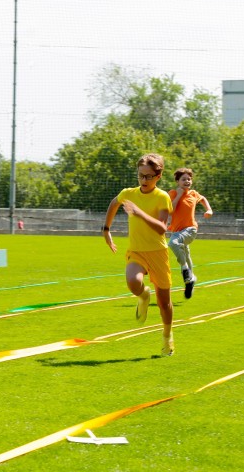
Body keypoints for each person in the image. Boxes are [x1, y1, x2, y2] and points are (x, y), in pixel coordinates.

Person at [102, 153, 176, 356]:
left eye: (148, 176)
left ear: (158, 176)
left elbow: (162, 228)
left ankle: (167, 337)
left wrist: (139, 213)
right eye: (140, 175)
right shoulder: (128, 193)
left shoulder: (162, 197)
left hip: (158, 253)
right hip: (136, 251)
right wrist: (106, 229)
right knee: (133, 283)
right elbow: (113, 203)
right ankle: (144, 296)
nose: (144, 180)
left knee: (164, 303)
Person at [168, 167, 213, 300]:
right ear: (177, 181)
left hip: (190, 229)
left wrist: (209, 210)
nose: (187, 181)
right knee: (185, 253)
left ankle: (185, 270)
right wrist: (179, 195)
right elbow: (171, 209)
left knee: (173, 243)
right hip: (176, 230)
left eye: (189, 179)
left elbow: (203, 198)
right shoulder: (172, 193)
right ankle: (191, 279)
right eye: (184, 179)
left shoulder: (193, 194)